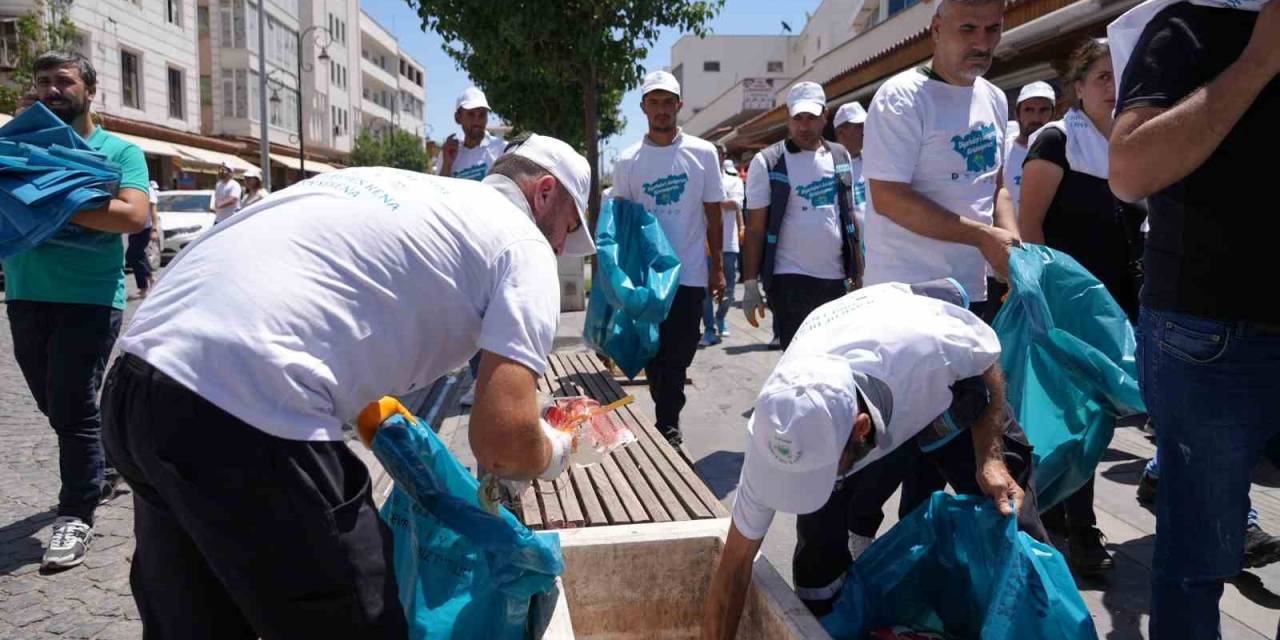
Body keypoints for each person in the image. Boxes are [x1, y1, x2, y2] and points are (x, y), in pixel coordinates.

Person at [100, 135, 595, 638]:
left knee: (195, 623)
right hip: (248, 407)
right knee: (360, 619)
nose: (561, 249)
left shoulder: (393, 185)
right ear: (545, 192)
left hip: (136, 383)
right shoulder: (522, 243)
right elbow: (503, 446)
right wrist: (555, 448)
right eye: (568, 231)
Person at [701, 281, 1045, 639]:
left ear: (860, 428)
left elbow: (987, 362)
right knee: (817, 559)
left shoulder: (929, 350)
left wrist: (989, 459)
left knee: (1011, 516)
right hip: (857, 376)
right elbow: (735, 567)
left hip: (949, 388)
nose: (804, 489)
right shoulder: (779, 426)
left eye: (820, 472)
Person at [1106, 0, 1280, 634]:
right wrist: (1259, 62)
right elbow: (1128, 172)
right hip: (1211, 330)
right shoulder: (1186, 27)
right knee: (1199, 556)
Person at [2, 51, 151, 570]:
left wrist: (50, 199)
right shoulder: (19, 146)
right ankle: (110, 460)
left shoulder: (119, 151)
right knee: (57, 404)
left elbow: (133, 215)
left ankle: (76, 515)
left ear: (89, 89)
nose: (51, 90)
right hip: (25, 292)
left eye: (63, 81)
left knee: (70, 402)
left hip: (89, 297)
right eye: (42, 81)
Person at [1017, 39, 1141, 575]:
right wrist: (1044, 300)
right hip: (1069, 303)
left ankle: (1069, 513)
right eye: (1101, 77)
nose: (1112, 86)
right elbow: (1030, 226)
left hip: (1122, 300)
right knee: (1080, 414)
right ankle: (1081, 527)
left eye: (1121, 75)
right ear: (1079, 86)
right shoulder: (1057, 141)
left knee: (1104, 415)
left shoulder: (1137, 140)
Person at [861, 0, 1019, 322]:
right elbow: (888, 198)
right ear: (936, 29)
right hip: (907, 295)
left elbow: (995, 186)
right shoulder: (902, 98)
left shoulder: (995, 98)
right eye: (968, 29)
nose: (982, 42)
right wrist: (982, 237)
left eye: (993, 29)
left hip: (972, 293)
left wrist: (1015, 250)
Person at [611, 70, 726, 446]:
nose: (661, 110)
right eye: (654, 102)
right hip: (648, 278)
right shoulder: (628, 160)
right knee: (654, 353)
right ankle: (668, 422)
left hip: (690, 273)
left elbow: (713, 213)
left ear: (679, 105)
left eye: (668, 102)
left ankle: (667, 418)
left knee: (680, 350)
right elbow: (623, 221)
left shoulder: (703, 153)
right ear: (644, 107)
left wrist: (718, 268)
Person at [741, 82, 862, 350]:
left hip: (835, 278)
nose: (804, 127)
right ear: (788, 116)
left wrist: (858, 272)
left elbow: (848, 216)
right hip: (790, 280)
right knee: (799, 362)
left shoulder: (840, 156)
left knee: (835, 360)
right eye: (798, 118)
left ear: (825, 117)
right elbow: (755, 229)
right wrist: (750, 284)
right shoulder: (768, 161)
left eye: (811, 118)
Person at [700, 153, 744, 346]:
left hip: (729, 243)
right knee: (706, 289)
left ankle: (721, 316)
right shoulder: (699, 181)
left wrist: (710, 202)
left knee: (730, 289)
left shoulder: (733, 181)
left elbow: (736, 204)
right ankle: (709, 329)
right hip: (705, 244)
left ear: (722, 158)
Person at [999, 81, 1056, 224]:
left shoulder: (1065, 152)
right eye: (1029, 110)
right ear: (1017, 114)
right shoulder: (1001, 151)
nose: (1036, 118)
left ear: (1053, 114)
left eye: (1043, 110)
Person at [435, 86, 507, 181]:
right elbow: (440, 191)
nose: (477, 121)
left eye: (482, 115)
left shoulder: (502, 149)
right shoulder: (449, 152)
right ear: (458, 118)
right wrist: (447, 164)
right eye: (471, 114)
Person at [831, 101, 869, 236]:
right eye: (859, 126)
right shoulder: (828, 167)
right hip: (851, 249)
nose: (865, 130)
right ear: (841, 132)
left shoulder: (874, 161)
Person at [126, 180, 161, 300]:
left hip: (145, 228)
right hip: (134, 229)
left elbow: (153, 211)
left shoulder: (148, 190)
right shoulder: (134, 188)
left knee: (132, 256)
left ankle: (143, 288)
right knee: (138, 256)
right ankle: (151, 279)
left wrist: (155, 229)